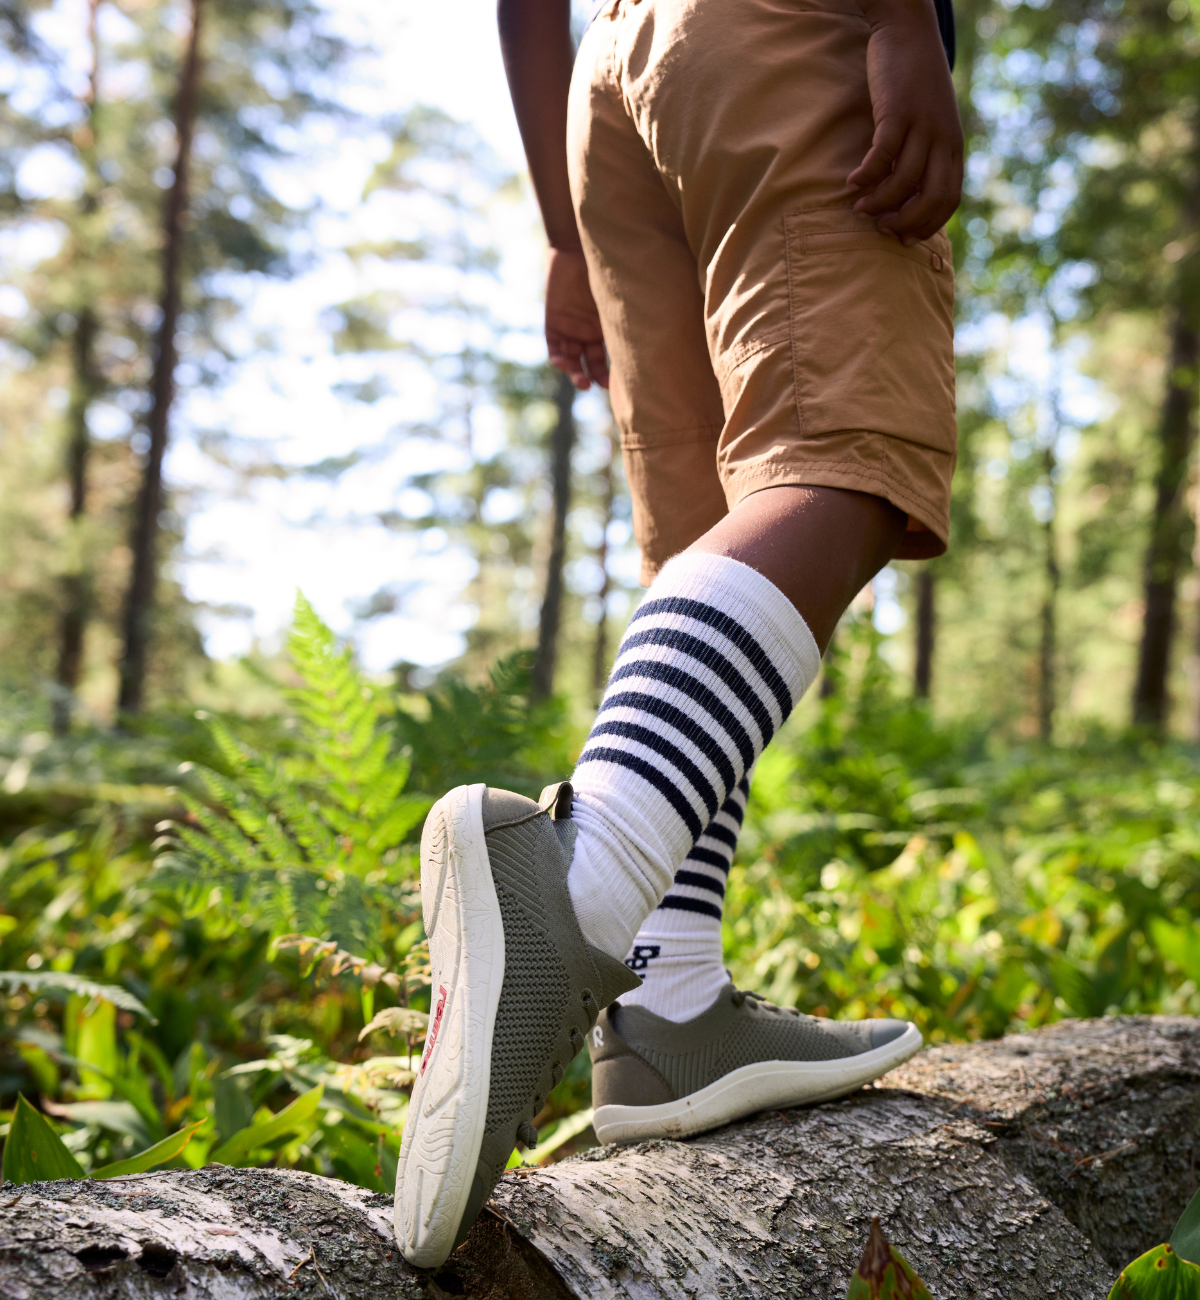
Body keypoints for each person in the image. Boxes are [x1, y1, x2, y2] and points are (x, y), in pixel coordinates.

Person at [395, 0, 963, 1268]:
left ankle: (667, 1002)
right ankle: (576, 898)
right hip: (784, 29)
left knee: (712, 536)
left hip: (615, 76)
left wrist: (562, 224)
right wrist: (904, 20)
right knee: (843, 471)